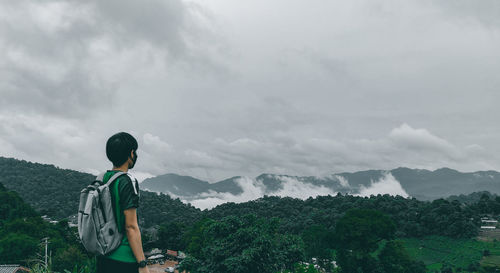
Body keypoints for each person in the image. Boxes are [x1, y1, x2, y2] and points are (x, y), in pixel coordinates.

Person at [97, 132, 150, 273]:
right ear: (131, 153)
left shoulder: (103, 178)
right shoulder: (126, 182)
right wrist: (142, 264)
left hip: (103, 254)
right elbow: (131, 227)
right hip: (124, 259)